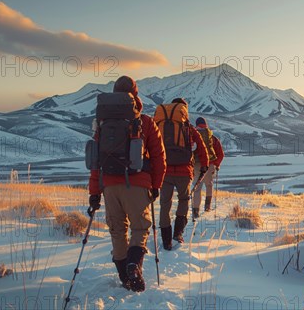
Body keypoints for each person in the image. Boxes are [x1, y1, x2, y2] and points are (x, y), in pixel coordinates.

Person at [88, 76, 166, 292]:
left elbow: (95, 162)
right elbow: (159, 157)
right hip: (137, 183)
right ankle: (134, 264)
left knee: (117, 230)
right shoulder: (145, 122)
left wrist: (94, 193)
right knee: (140, 227)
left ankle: (125, 277)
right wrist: (156, 185)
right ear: (135, 95)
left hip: (109, 185)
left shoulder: (101, 125)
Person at [155, 98, 209, 250]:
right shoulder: (188, 128)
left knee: (165, 204)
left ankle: (166, 240)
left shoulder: (160, 125)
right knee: (184, 200)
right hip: (184, 171)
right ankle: (178, 233)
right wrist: (204, 165)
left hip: (164, 171)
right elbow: (202, 148)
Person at [192, 117, 224, 217]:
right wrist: (216, 165)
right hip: (209, 164)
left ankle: (195, 211)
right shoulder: (212, 137)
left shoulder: (193, 135)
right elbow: (220, 154)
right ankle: (207, 207)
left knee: (197, 187)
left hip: (197, 165)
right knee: (209, 185)